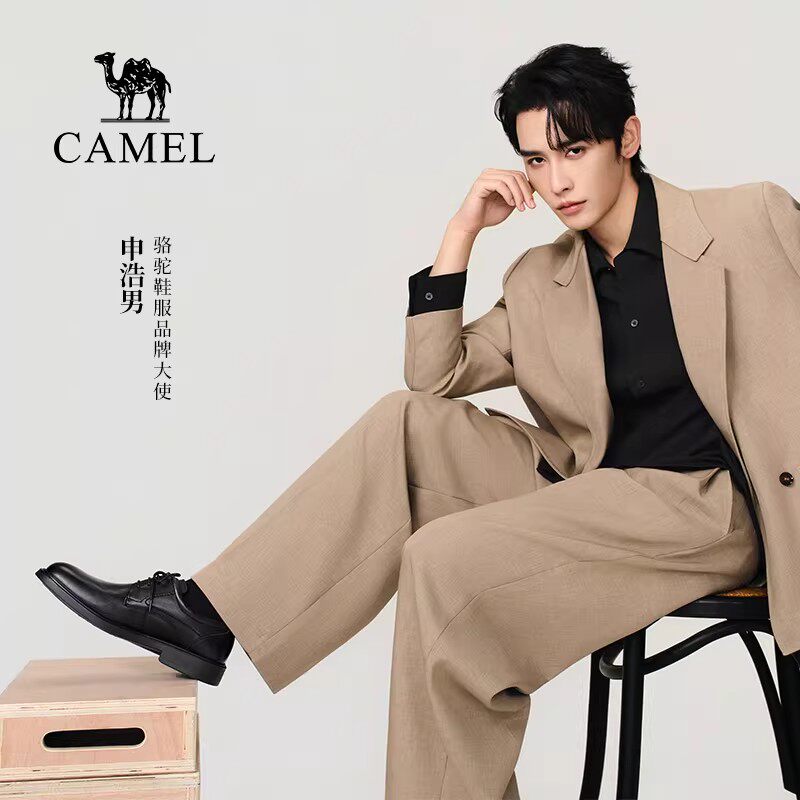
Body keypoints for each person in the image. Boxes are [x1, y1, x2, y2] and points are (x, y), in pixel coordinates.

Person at [36, 43, 800, 800]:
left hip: (711, 507)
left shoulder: (748, 219)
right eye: (536, 160)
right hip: (593, 490)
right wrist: (461, 232)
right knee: (402, 423)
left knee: (442, 559)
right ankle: (207, 613)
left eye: (574, 150)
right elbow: (435, 377)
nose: (557, 181)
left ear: (627, 138)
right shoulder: (543, 279)